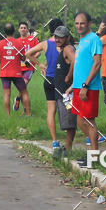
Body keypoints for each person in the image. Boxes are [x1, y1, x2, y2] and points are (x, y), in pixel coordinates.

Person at [25, 18, 63, 151]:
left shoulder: (45, 44)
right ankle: (86, 135)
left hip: (48, 80)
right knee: (70, 108)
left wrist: (40, 64)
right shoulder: (63, 44)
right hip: (62, 82)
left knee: (51, 111)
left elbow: (28, 54)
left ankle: (54, 141)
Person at [71, 11, 102, 165]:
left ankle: (95, 157)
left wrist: (86, 85)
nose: (79, 26)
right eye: (76, 23)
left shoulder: (94, 39)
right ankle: (93, 149)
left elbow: (97, 63)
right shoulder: (82, 40)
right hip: (78, 87)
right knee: (80, 121)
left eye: (82, 23)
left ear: (89, 23)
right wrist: (73, 86)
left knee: (89, 121)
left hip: (88, 87)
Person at [0, 23, 30, 116]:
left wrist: (2, 62)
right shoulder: (19, 43)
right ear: (14, 31)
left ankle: (8, 116)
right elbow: (23, 58)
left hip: (4, 73)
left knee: (6, 95)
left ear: (4, 32)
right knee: (24, 93)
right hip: (17, 73)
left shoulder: (0, 43)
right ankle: (29, 114)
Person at [52, 25, 76, 156]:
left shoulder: (68, 48)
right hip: (62, 93)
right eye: (56, 37)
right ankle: (67, 147)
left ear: (68, 38)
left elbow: (75, 61)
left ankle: (68, 148)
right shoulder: (64, 49)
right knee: (68, 121)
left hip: (67, 94)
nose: (58, 39)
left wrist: (68, 76)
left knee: (69, 121)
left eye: (61, 37)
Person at [14, 22, 38, 112]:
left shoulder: (33, 39)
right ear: (18, 30)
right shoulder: (16, 42)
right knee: (24, 90)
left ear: (27, 29)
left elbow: (38, 52)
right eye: (21, 28)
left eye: (25, 28)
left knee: (23, 85)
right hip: (19, 68)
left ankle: (17, 98)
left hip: (29, 67)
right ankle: (26, 111)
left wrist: (32, 59)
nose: (23, 29)